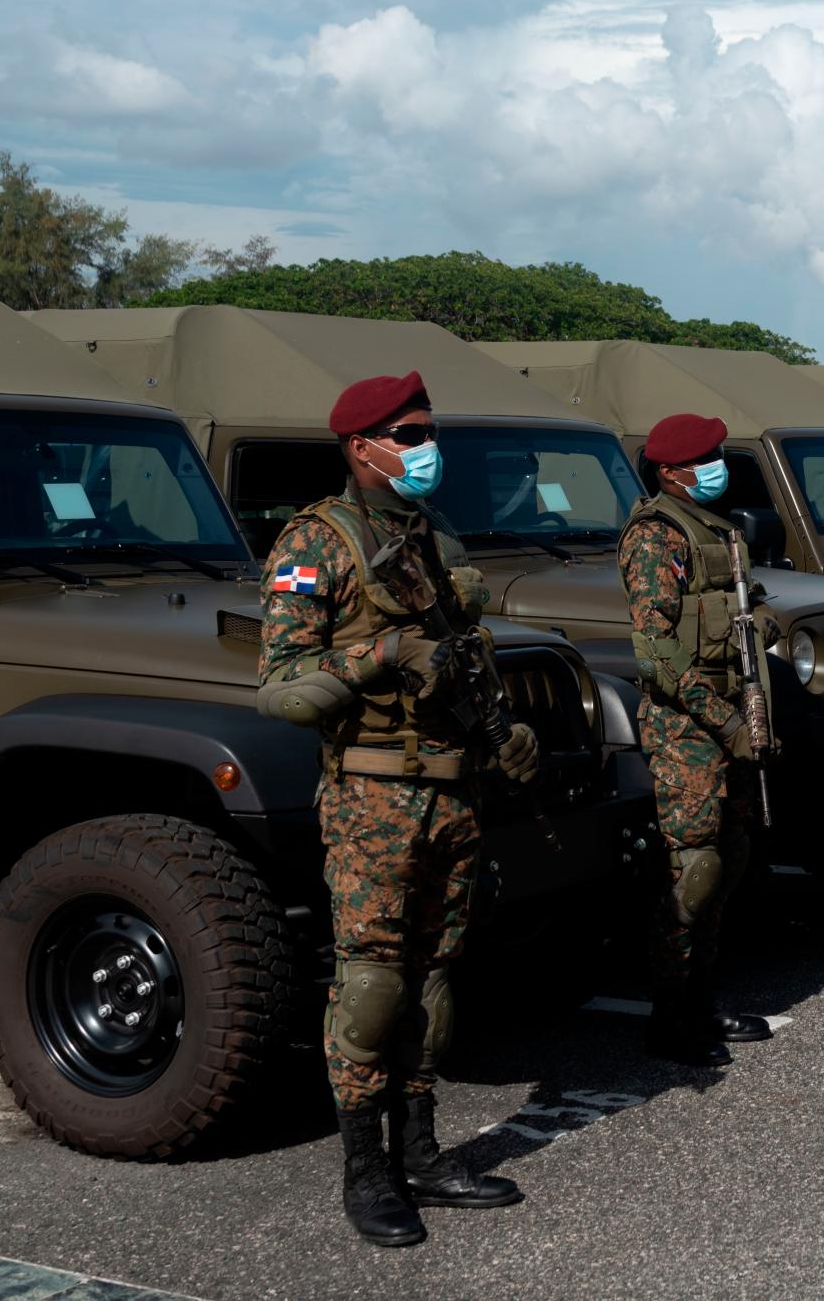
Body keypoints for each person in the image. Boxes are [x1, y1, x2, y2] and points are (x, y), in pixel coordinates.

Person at [258, 371, 539, 1247]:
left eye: (427, 430)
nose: (426, 448)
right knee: (374, 981)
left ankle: (420, 1151)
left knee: (434, 977)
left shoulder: (431, 535)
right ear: (361, 445)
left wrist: (505, 734)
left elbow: (462, 653)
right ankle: (366, 1173)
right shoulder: (317, 543)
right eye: (409, 434)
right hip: (373, 794)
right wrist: (376, 653)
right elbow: (277, 692)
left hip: (452, 786)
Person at [618, 413, 777, 1064]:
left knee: (728, 858)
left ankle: (704, 997)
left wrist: (759, 619)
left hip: (729, 717)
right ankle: (670, 1013)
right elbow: (656, 653)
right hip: (689, 725)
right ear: (669, 472)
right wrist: (728, 720)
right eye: (706, 457)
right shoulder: (657, 537)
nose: (719, 466)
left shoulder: (722, 530)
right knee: (693, 869)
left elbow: (748, 604)